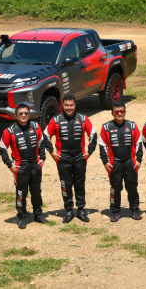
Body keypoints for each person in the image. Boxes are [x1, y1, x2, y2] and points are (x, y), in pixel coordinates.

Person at [45, 93, 97, 224]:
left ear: (75, 105)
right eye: (66, 105)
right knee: (65, 185)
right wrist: (52, 153)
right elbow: (45, 136)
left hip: (80, 156)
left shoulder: (83, 118)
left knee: (80, 184)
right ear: (62, 105)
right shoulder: (56, 120)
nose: (69, 108)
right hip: (63, 157)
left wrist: (89, 152)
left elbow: (93, 134)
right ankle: (68, 211)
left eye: (71, 105)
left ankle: (81, 210)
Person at [0, 104, 52, 229]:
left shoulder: (35, 126)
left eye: (26, 113)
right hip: (20, 167)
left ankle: (38, 214)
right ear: (16, 115)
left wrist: (42, 158)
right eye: (21, 113)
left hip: (35, 165)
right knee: (21, 193)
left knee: (36, 191)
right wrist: (10, 165)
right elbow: (2, 149)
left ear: (29, 114)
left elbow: (41, 142)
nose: (23, 115)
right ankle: (22, 216)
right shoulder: (9, 131)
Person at [98, 102, 143, 222]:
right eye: (116, 112)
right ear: (112, 113)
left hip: (130, 162)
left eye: (121, 111)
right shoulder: (106, 127)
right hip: (114, 163)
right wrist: (105, 162)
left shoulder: (132, 126)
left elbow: (139, 142)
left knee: (132, 187)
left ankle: (135, 210)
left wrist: (139, 159)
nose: (119, 114)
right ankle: (115, 211)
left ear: (125, 112)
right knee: (115, 188)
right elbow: (102, 145)